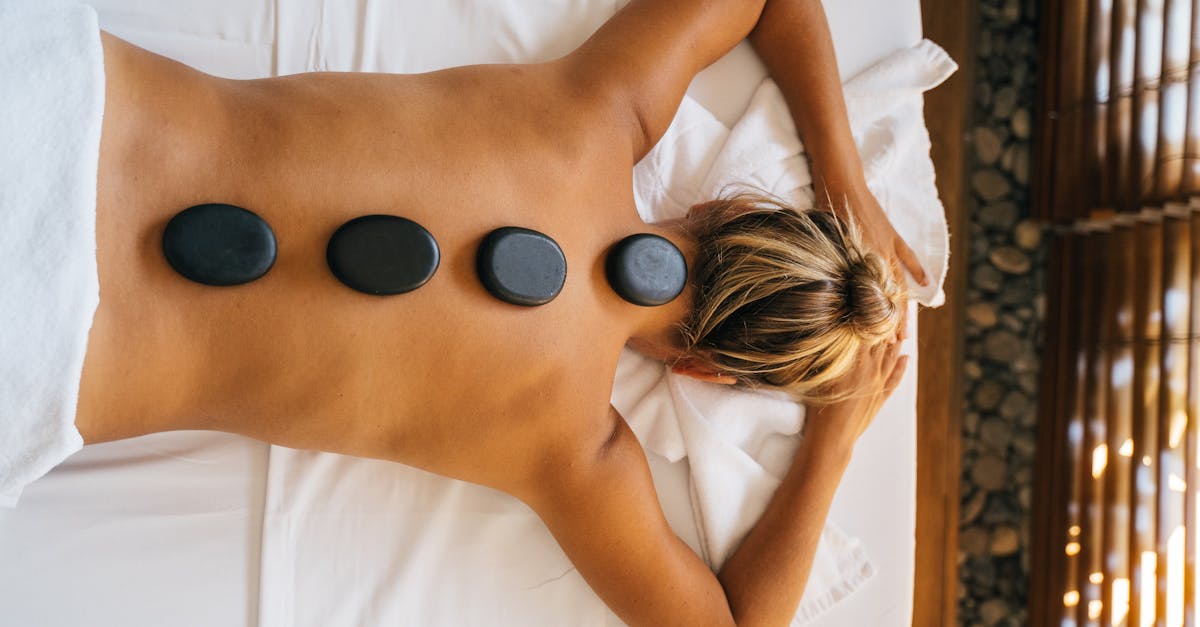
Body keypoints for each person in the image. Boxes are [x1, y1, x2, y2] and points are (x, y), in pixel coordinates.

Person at [62, 0, 920, 624]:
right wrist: (830, 444)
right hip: (54, 353)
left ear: (724, 208)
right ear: (703, 368)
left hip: (63, 103)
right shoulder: (572, 453)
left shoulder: (599, 108)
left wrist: (844, 176)